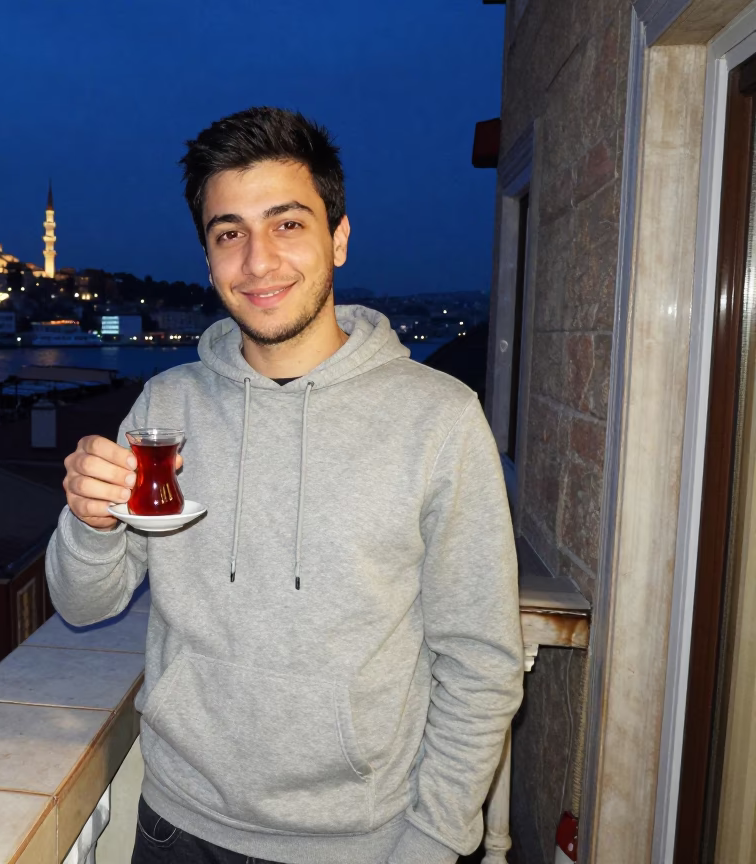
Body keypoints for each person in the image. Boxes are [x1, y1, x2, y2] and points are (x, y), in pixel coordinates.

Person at [46, 106, 524, 864]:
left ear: (338, 237)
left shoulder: (438, 419)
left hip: (362, 840)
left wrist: (433, 842)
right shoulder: (167, 406)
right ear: (207, 258)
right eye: (228, 232)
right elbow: (83, 603)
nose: (257, 262)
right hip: (178, 823)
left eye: (288, 224)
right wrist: (90, 522)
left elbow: (481, 661)